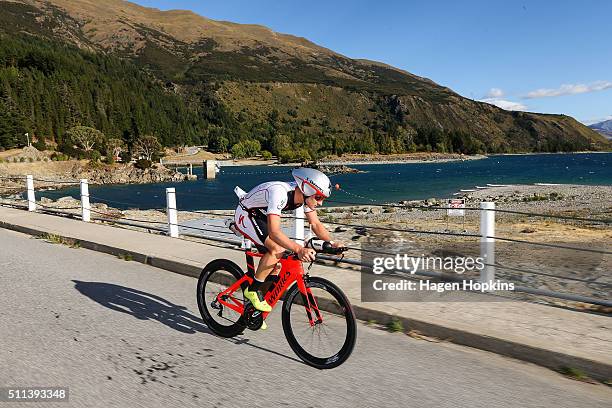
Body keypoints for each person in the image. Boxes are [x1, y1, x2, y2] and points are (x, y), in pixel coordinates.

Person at [232, 167, 343, 323]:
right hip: (246, 213)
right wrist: (299, 249)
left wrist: (331, 242)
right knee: (277, 249)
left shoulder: (304, 197)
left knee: (276, 265)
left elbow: (316, 224)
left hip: (262, 216)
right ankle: (252, 291)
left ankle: (254, 307)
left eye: (323, 198)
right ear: (306, 189)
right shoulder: (280, 193)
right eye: (318, 197)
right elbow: (274, 232)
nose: (320, 203)